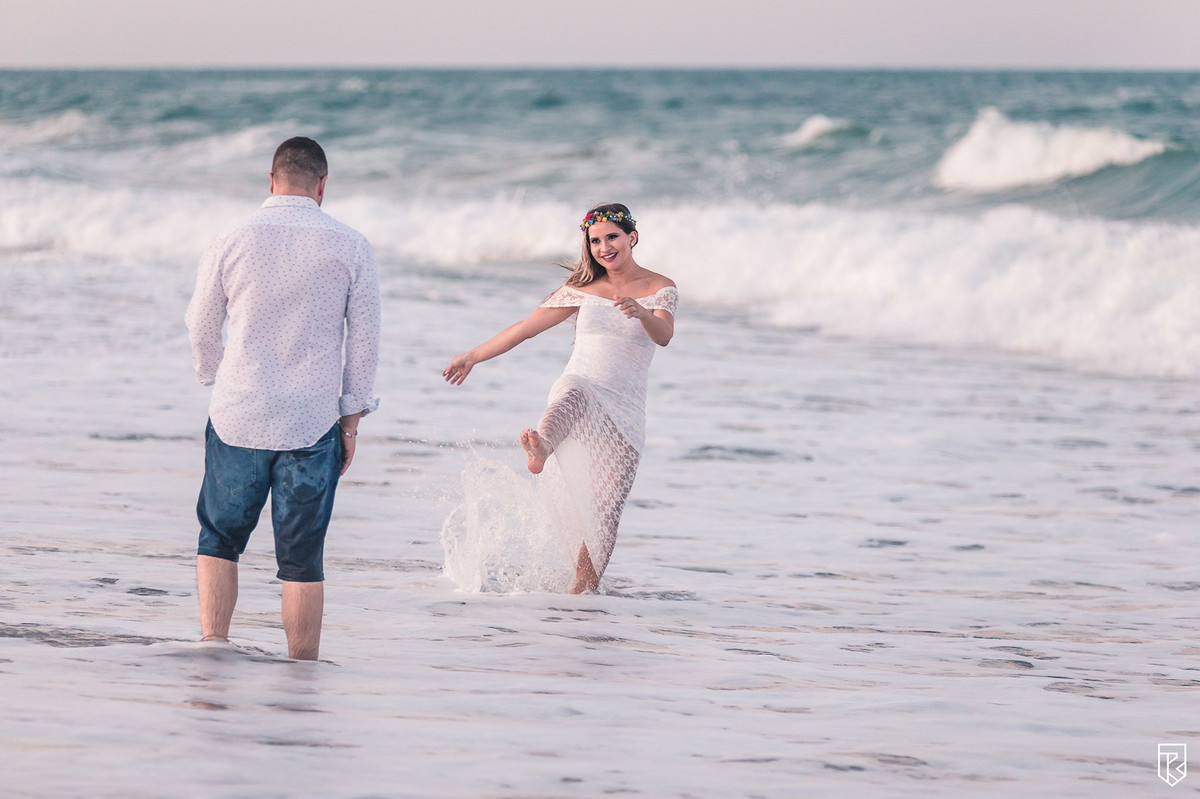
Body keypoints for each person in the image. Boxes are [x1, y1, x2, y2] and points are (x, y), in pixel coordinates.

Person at [184, 137, 380, 660]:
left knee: (219, 540)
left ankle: (213, 653)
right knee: (302, 560)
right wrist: (351, 421)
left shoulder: (231, 237)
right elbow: (363, 344)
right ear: (321, 186)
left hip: (237, 413)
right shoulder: (350, 244)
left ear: (272, 181)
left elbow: (200, 324)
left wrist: (216, 377)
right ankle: (301, 675)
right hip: (312, 421)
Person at [443, 203, 677, 593]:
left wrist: (641, 312)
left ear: (631, 237)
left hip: (625, 413)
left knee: (601, 523)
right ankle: (543, 446)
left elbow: (664, 335)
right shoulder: (583, 291)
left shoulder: (659, 288)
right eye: (596, 241)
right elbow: (524, 329)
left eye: (612, 237)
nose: (604, 247)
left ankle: (580, 606)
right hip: (582, 385)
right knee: (571, 391)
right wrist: (472, 356)